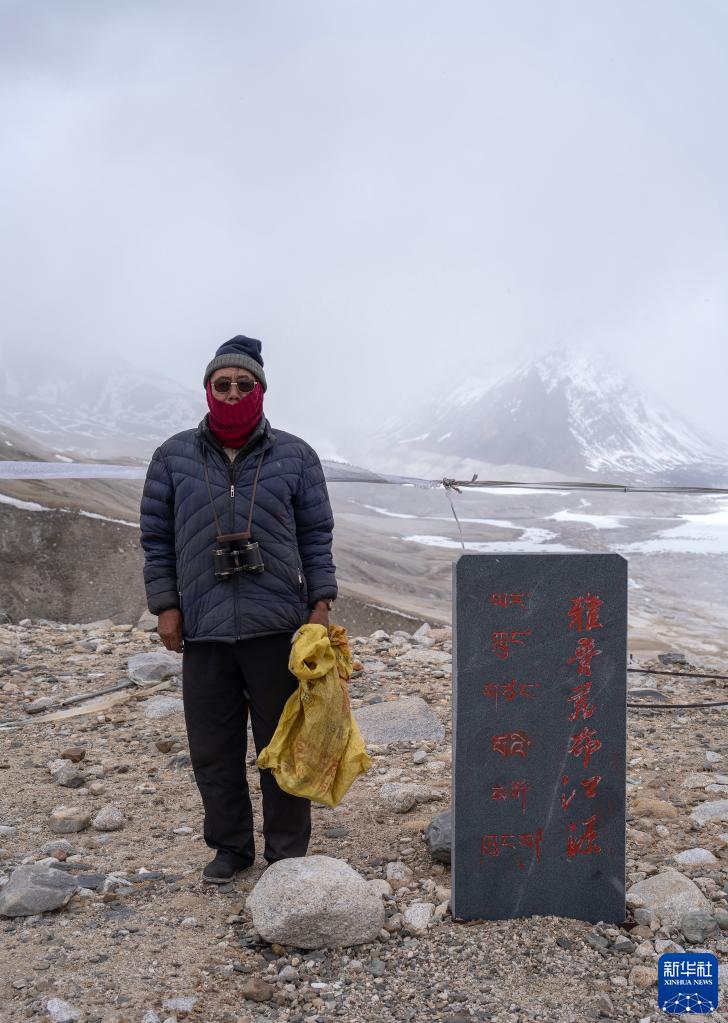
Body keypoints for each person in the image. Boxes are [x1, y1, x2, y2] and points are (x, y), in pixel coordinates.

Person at [140, 335, 337, 883]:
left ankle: (287, 852)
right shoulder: (173, 456)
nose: (232, 393)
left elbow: (316, 534)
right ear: (207, 389)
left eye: (243, 384)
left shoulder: (295, 455)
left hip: (278, 623)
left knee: (282, 744)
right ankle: (230, 848)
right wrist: (166, 607)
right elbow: (156, 540)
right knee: (213, 748)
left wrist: (320, 603)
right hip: (203, 627)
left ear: (261, 391)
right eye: (221, 384)